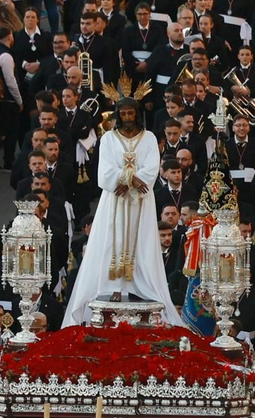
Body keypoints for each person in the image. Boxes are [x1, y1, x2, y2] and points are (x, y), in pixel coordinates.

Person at [62, 98, 181, 326]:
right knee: (110, 242)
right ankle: (112, 286)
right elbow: (104, 168)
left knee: (142, 241)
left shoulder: (148, 138)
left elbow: (152, 165)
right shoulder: (108, 138)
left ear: (137, 114)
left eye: (130, 113)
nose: (127, 118)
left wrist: (132, 181)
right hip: (114, 198)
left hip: (140, 199)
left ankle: (139, 284)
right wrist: (127, 179)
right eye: (123, 113)